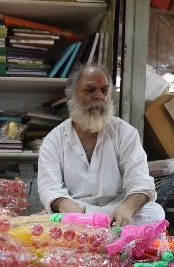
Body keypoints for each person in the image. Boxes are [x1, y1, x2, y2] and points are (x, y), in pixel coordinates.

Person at [37, 64, 165, 226]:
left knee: (155, 213)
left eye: (104, 90)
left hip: (117, 210)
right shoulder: (53, 140)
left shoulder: (125, 133)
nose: (99, 96)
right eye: (90, 90)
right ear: (71, 96)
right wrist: (64, 204)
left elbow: (140, 180)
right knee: (46, 220)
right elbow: (49, 188)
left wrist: (127, 207)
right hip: (78, 211)